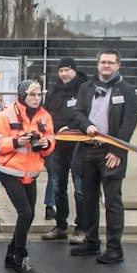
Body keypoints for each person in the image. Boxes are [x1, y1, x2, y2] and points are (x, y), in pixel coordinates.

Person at [0, 82, 56, 273]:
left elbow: (51, 140)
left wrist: (46, 144)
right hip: (9, 172)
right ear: (22, 96)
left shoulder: (45, 116)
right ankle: (21, 259)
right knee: (26, 214)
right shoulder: (6, 115)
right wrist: (15, 142)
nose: (37, 98)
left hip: (31, 174)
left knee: (27, 216)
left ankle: (11, 255)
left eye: (39, 94)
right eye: (32, 95)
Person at [68, 50, 137, 264]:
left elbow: (129, 122)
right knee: (88, 199)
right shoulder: (86, 88)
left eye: (110, 62)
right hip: (88, 150)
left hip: (111, 152)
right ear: (97, 64)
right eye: (102, 62)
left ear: (119, 65)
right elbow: (77, 112)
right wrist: (86, 125)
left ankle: (115, 248)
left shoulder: (126, 90)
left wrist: (117, 151)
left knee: (113, 201)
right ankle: (91, 242)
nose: (106, 66)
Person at [39, 58, 84, 241]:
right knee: (58, 186)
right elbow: (46, 114)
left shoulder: (84, 89)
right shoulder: (53, 91)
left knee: (80, 188)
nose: (64, 73)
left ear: (74, 71)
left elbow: (86, 114)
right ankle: (61, 225)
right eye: (61, 70)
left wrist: (70, 127)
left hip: (79, 144)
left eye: (67, 70)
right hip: (58, 144)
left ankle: (81, 228)